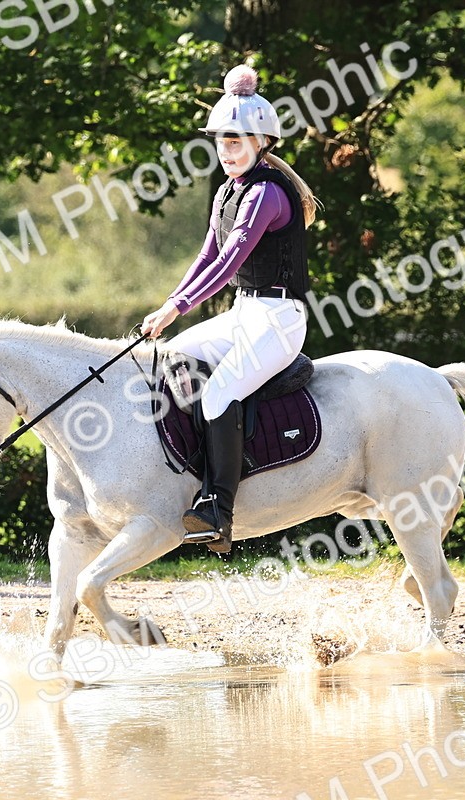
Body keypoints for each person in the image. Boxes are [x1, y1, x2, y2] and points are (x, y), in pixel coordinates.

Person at [141, 64, 319, 554]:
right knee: (174, 356)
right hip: (243, 313)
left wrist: (177, 306)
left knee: (218, 395)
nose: (226, 150)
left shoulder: (264, 194)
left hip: (279, 321)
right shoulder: (227, 191)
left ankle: (219, 509)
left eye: (236, 142)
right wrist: (166, 308)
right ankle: (197, 466)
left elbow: (229, 261)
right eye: (221, 141)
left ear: (261, 142)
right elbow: (204, 257)